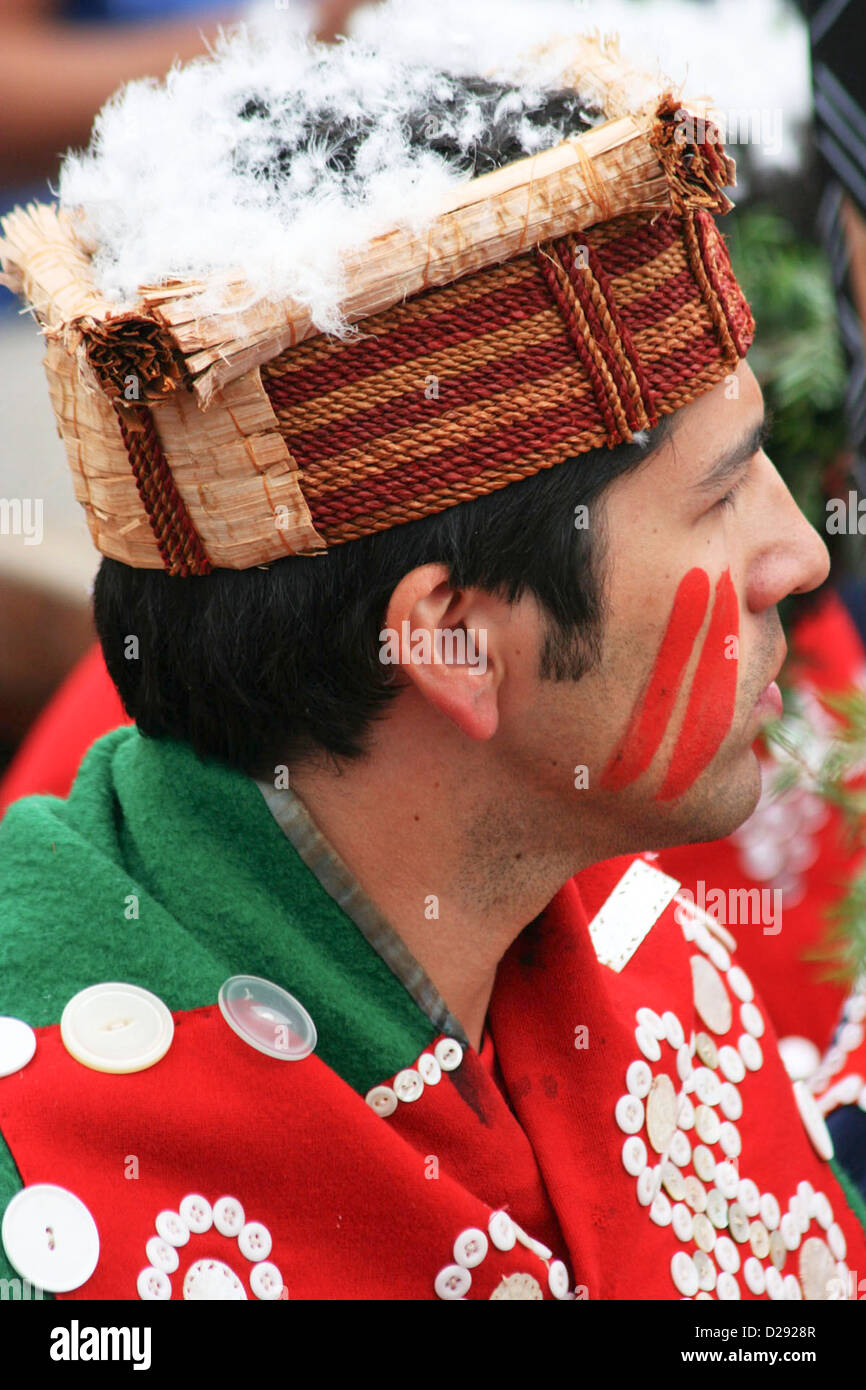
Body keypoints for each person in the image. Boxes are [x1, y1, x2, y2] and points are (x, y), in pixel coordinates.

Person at [0, 14, 863, 1302]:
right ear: (450, 637)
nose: (800, 554)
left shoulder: (655, 957)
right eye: (724, 493)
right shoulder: (45, 1173)